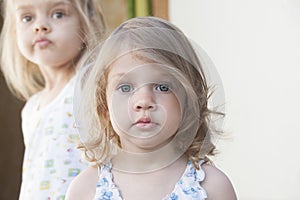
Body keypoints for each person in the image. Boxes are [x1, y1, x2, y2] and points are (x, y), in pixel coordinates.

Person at [66, 16, 237, 200]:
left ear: (189, 103)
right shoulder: (85, 189)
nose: (143, 101)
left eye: (162, 87)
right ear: (105, 108)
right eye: (125, 88)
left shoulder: (212, 186)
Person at [0, 0, 105, 199]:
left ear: (86, 21)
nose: (40, 26)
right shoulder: (31, 108)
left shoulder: (91, 86)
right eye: (27, 18)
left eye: (58, 14)